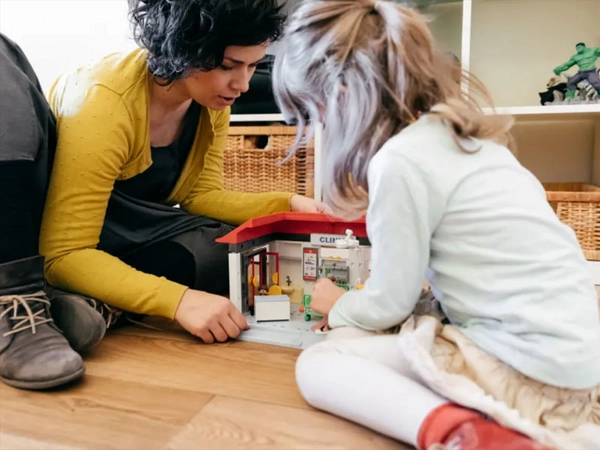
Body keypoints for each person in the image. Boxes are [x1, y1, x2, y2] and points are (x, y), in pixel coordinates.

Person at [271, 1, 600, 449]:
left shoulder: (400, 160)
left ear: (343, 95)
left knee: (320, 365)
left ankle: (464, 433)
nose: (319, 126)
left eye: (314, 111)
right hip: (580, 365)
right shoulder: (470, 143)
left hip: (533, 373)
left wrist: (338, 305)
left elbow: (389, 304)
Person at [39, 0, 327, 348]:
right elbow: (64, 252)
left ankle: (100, 299)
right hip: (66, 234)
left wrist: (289, 206)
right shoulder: (103, 103)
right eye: (227, 66)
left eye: (252, 66)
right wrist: (179, 301)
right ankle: (77, 294)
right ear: (183, 48)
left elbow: (198, 197)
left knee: (229, 246)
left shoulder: (209, 102)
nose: (243, 85)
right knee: (221, 258)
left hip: (131, 228)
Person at [0, 34, 105, 390]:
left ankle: (35, 293)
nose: (243, 84)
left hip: (40, 219)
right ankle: (18, 299)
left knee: (218, 249)